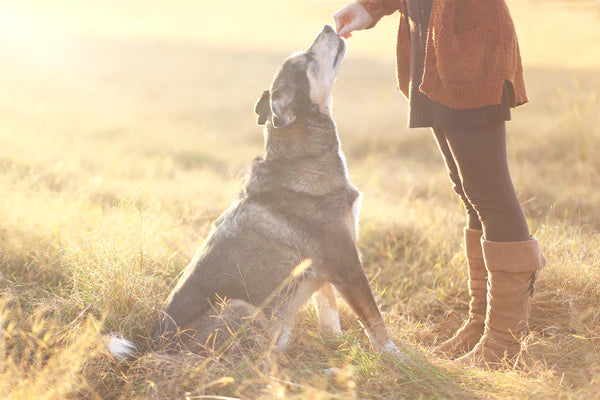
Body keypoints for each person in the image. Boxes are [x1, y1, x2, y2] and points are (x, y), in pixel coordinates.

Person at [333, 0, 545, 367]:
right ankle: (481, 324)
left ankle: (504, 342)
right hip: (429, 39)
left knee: (489, 193)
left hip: (471, 43)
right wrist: (374, 6)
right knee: (469, 191)